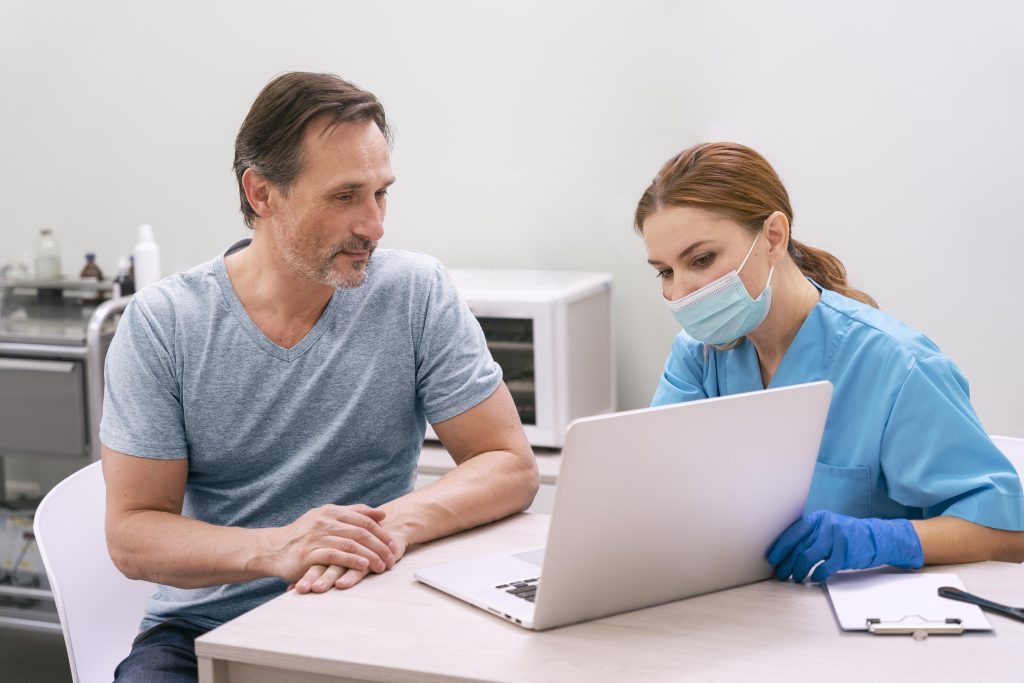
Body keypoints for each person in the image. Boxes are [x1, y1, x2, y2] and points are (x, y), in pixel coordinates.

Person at [100, 72, 539, 682]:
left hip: (373, 607)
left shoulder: (415, 293)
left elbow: (508, 463)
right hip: (204, 630)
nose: (374, 226)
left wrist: (386, 529)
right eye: (344, 197)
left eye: (381, 193)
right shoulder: (165, 323)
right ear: (262, 193)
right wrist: (281, 547)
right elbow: (133, 535)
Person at [636, 142, 1024, 584]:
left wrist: (885, 540)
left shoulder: (896, 365)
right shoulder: (698, 357)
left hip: (862, 632)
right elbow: (658, 496)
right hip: (735, 614)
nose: (681, 292)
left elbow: (1008, 533)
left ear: (773, 237)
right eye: (664, 272)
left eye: (702, 260)